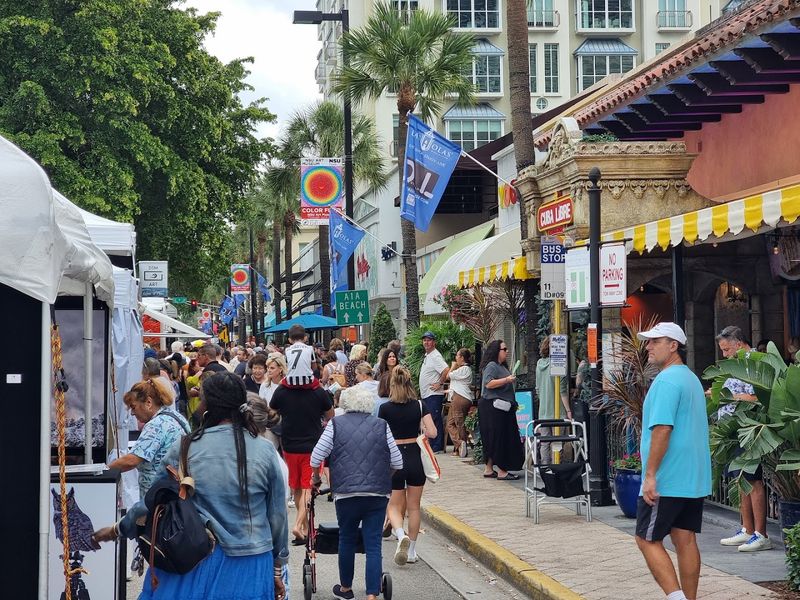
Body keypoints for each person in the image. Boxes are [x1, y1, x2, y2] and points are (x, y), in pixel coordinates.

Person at [96, 372, 289, 600]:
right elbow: (277, 517)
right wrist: (277, 567)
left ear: (206, 404)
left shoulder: (186, 447)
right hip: (251, 562)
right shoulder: (265, 451)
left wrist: (118, 529)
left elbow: (152, 502)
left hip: (194, 560)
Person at [635, 322, 712, 600]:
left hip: (668, 477)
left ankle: (676, 598)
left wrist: (651, 474)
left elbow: (662, 429)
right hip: (692, 477)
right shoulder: (690, 378)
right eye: (648, 342)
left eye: (656, 341)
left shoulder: (666, 381)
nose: (648, 347)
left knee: (646, 538)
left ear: (674, 345)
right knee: (685, 538)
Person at [311, 386, 403, 600]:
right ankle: (372, 594)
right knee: (373, 543)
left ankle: (345, 589)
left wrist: (316, 477)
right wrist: (383, 477)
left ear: (345, 404)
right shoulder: (382, 425)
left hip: (346, 493)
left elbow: (316, 458)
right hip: (377, 494)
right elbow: (397, 461)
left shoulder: (335, 425)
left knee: (347, 538)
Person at [714, 326, 771, 552]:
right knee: (740, 480)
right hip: (734, 429)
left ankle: (761, 534)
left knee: (752, 480)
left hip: (750, 428)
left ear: (738, 344)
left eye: (727, 350)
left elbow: (762, 395)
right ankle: (746, 529)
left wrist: (735, 397)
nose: (725, 355)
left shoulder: (755, 362)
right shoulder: (737, 364)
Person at [270, 356, 334, 545]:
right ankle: (299, 525)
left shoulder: (282, 390)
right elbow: (330, 415)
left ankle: (305, 530)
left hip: (289, 445)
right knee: (308, 488)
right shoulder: (317, 391)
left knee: (297, 488)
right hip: (312, 446)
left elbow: (272, 412)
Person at [378, 366, 437, 566]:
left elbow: (379, 436)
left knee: (394, 505)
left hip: (394, 459)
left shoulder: (385, 408)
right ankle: (411, 550)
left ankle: (400, 533)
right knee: (414, 507)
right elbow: (433, 432)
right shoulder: (420, 405)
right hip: (414, 457)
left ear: (392, 385)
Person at [108, 379, 190, 498]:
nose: (132, 413)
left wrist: (105, 471)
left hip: (157, 495)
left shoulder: (156, 425)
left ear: (148, 402)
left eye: (133, 407)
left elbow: (132, 460)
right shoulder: (177, 417)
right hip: (176, 489)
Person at [478, 340, 524, 480]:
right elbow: (488, 384)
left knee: (493, 438)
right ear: (497, 351)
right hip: (494, 408)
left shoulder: (500, 366)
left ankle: (489, 468)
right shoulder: (492, 366)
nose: (507, 351)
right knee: (499, 438)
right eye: (504, 349)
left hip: (500, 408)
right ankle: (503, 471)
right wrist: (506, 380)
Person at [534, 336, 572, 465]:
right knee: (557, 442)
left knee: (545, 442)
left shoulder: (539, 364)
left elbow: (538, 389)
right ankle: (556, 468)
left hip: (543, 411)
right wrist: (568, 411)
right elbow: (562, 391)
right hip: (558, 412)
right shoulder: (560, 365)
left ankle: (545, 469)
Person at [418, 331, 449, 453]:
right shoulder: (428, 355)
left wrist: (440, 383)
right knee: (431, 419)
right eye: (424, 340)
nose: (426, 342)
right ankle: (433, 445)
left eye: (429, 340)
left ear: (434, 342)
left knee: (435, 419)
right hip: (428, 394)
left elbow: (446, 370)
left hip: (434, 394)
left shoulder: (435, 356)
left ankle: (437, 447)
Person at [446, 348, 473, 458]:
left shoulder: (465, 369)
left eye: (457, 355)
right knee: (450, 423)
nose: (456, 358)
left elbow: (448, 375)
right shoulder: (462, 369)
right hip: (457, 397)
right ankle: (460, 444)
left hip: (460, 398)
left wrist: (452, 366)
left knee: (459, 423)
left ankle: (462, 445)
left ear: (462, 357)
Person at [374, 348, 398, 417]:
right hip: (383, 400)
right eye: (389, 357)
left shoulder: (400, 372)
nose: (392, 358)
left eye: (394, 357)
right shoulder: (380, 372)